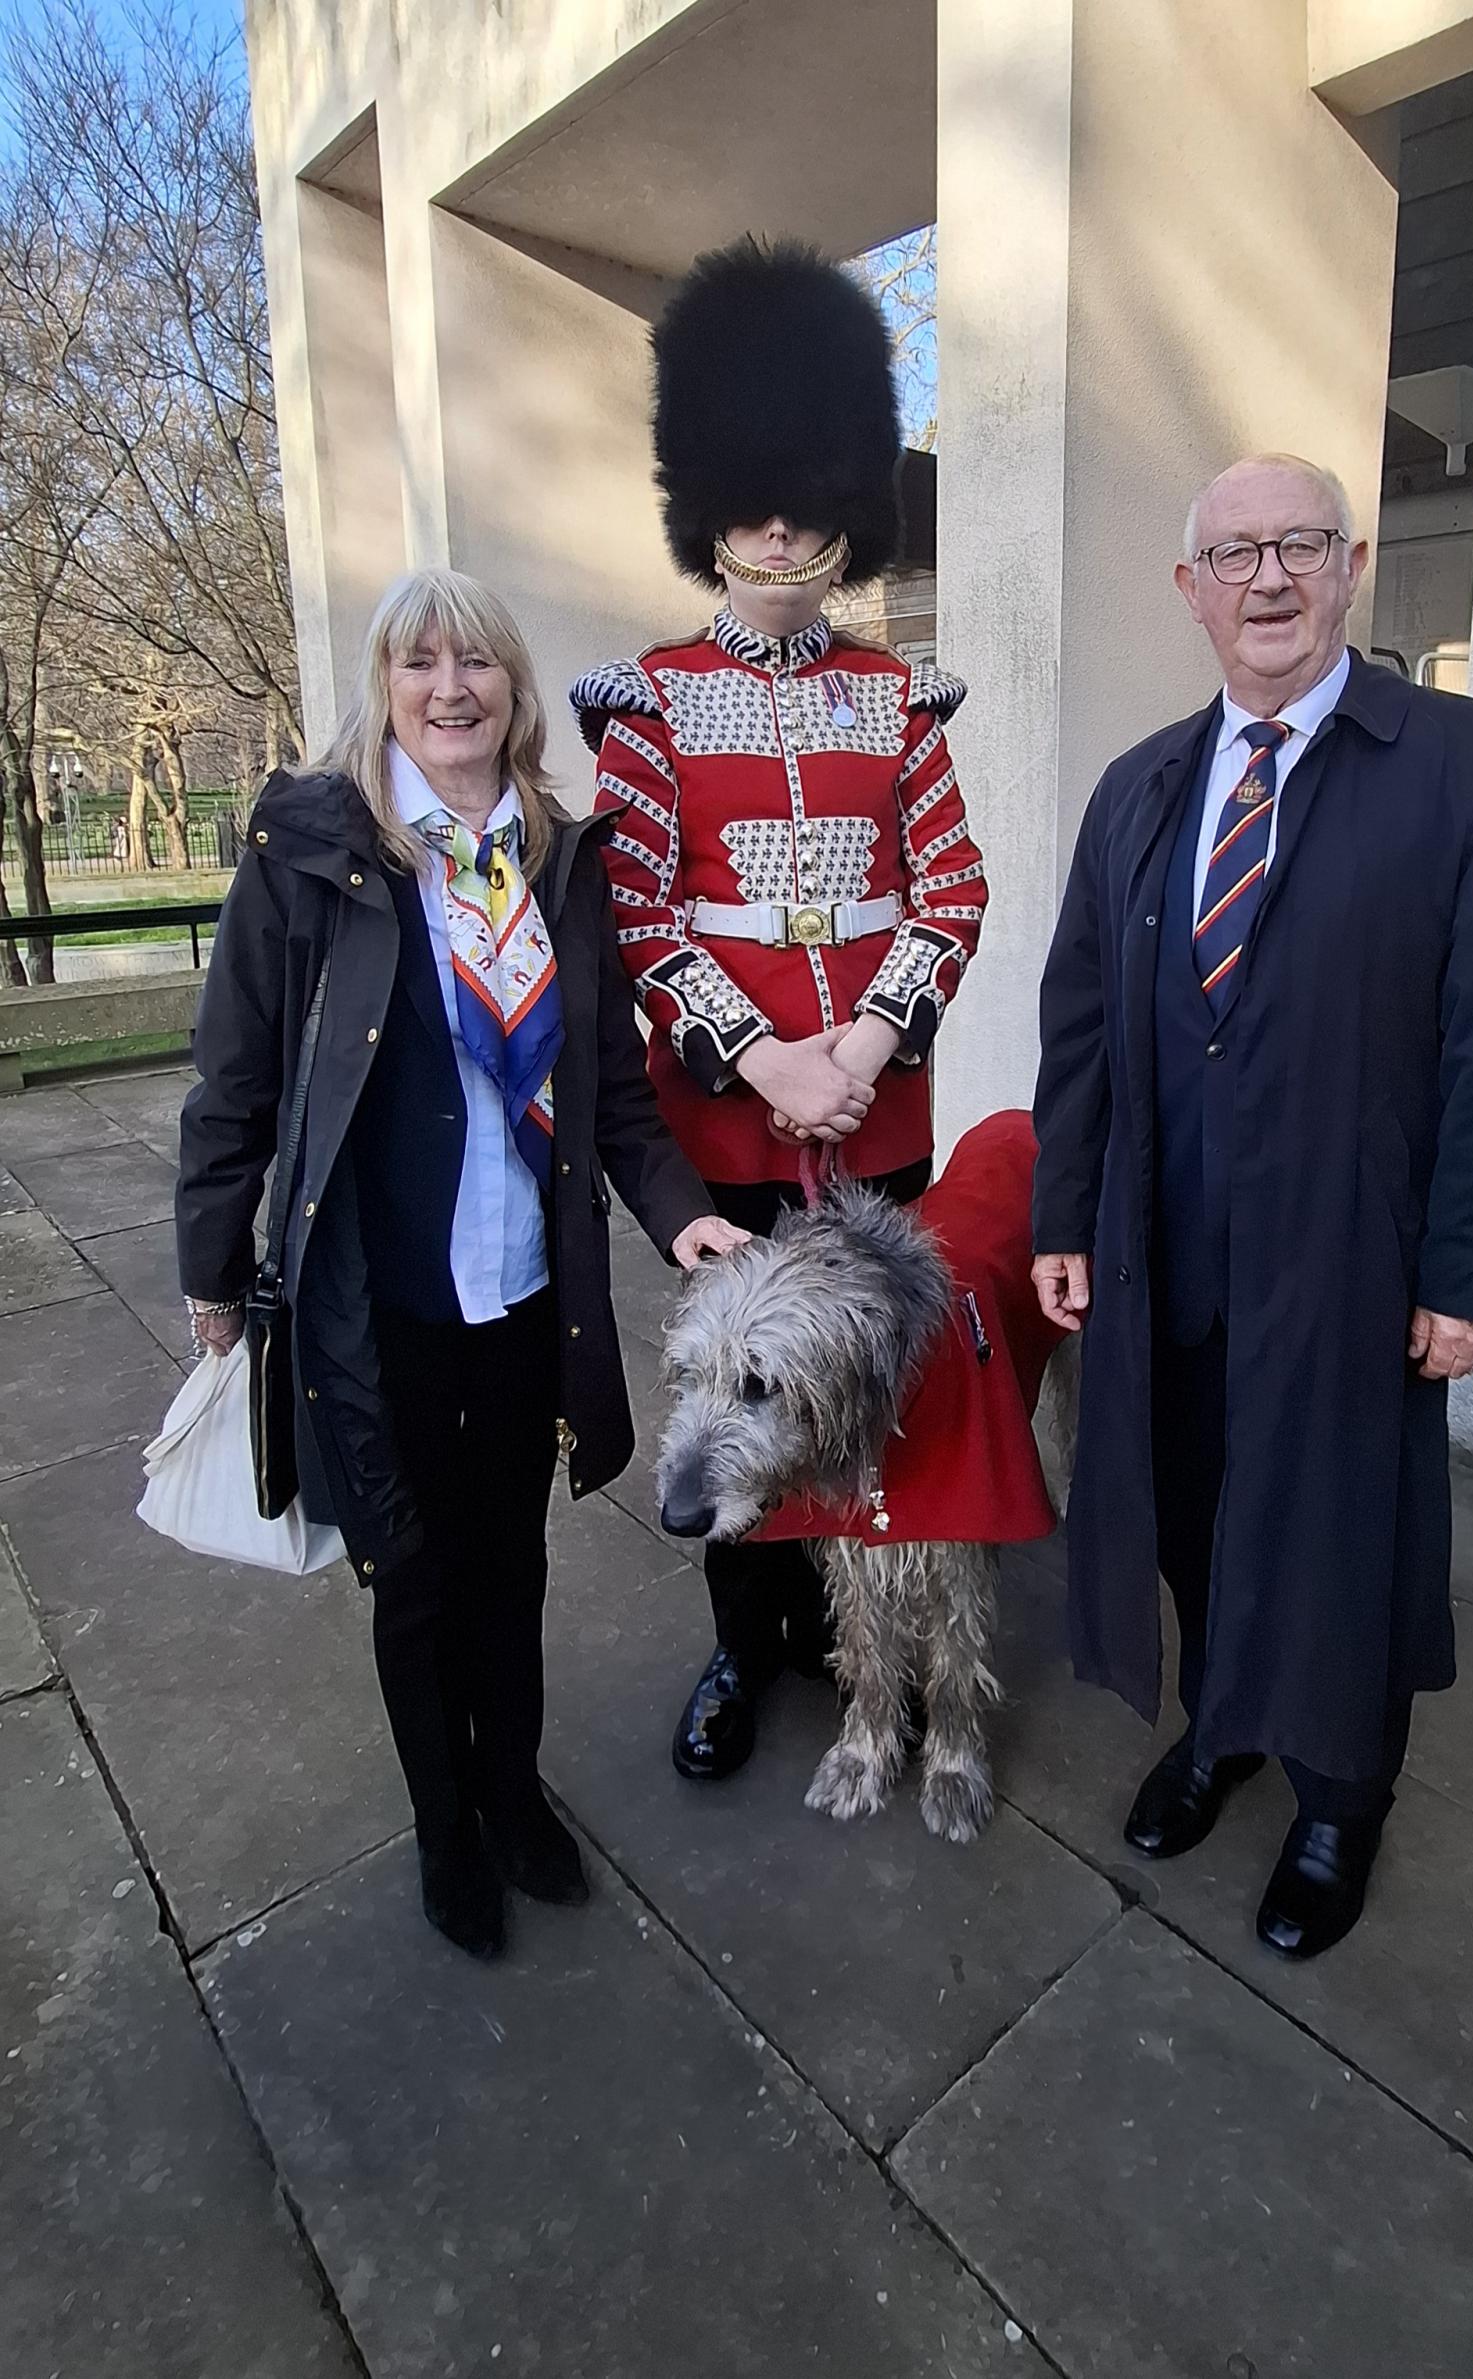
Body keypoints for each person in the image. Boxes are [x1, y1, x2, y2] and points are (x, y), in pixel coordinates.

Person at [1031, 454, 1473, 1959]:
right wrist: (1064, 1215)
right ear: (1191, 588)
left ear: (1353, 565)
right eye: (1236, 553)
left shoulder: (1470, 767)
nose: (1270, 579)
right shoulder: (1137, 787)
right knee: (1195, 1502)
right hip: (1165, 1248)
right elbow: (1081, 1023)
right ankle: (1227, 1727)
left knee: (1343, 1529)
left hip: (1353, 1256)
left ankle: (1342, 1790)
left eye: (1301, 548)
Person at [175, 566, 745, 1962]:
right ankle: (447, 1827)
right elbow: (233, 1078)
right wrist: (212, 1263)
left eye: (476, 663)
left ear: (513, 689)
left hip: (526, 1297)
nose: (450, 688)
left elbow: (613, 1092)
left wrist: (685, 1218)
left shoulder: (562, 858)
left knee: (512, 1569)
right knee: (414, 1577)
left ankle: (513, 1790)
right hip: (379, 1306)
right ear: (385, 688)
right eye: (419, 663)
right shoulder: (311, 851)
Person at [572, 237, 987, 1782]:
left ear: (844, 508)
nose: (779, 525)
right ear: (710, 509)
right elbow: (640, 913)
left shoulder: (900, 698)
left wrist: (864, 1050)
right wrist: (763, 1059)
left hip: (875, 1120)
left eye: (806, 500)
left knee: (862, 1395)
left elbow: (948, 889)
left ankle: (869, 1627)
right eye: (752, 499)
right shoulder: (654, 699)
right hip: (730, 1134)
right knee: (729, 1407)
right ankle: (749, 1646)